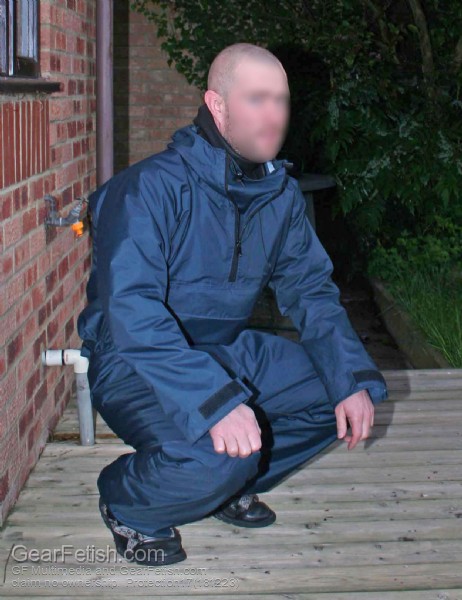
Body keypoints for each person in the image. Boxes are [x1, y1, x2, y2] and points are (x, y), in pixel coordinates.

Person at [77, 42, 388, 566]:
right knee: (215, 457)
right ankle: (129, 500)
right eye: (258, 99)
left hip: (223, 350)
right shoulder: (147, 190)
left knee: (339, 388)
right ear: (217, 105)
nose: (275, 116)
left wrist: (349, 378)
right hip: (135, 360)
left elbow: (311, 291)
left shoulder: (279, 196)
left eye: (281, 100)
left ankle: (229, 485)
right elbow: (133, 312)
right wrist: (214, 402)